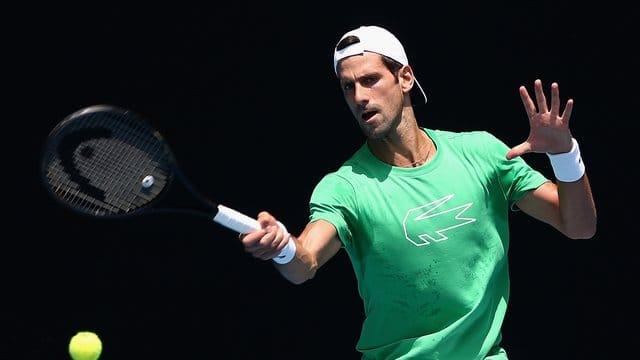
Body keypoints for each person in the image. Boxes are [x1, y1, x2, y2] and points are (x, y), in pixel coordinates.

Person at [239, 25, 597, 359]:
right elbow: (305, 263)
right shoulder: (344, 187)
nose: (359, 97)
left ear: (405, 78)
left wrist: (564, 155)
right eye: (348, 87)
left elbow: (579, 226)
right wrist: (284, 248)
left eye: (369, 80)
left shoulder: (482, 153)